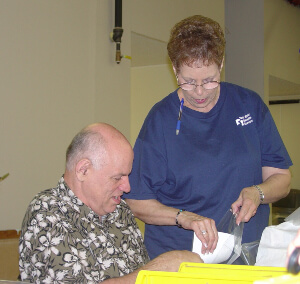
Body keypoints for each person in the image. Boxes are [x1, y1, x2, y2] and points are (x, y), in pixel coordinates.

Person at [123, 15, 293, 260]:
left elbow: (281, 178)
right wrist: (183, 217)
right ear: (174, 69)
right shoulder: (160, 120)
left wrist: (258, 192)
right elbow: (137, 201)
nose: (200, 92)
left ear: (221, 64)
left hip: (244, 258)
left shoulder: (249, 105)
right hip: (181, 260)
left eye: (210, 80)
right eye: (189, 82)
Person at [19, 123, 202, 283]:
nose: (127, 187)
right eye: (117, 177)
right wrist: (161, 270)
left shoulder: (120, 211)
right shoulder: (47, 213)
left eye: (128, 175)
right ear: (83, 170)